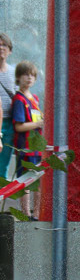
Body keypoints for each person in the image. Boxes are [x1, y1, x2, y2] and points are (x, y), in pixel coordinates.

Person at [12, 61, 43, 219]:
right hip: (25, 147)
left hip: (37, 146)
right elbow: (19, 126)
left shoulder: (35, 98)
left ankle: (36, 213)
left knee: (39, 180)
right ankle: (25, 214)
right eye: (26, 75)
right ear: (18, 77)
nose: (29, 78)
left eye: (32, 75)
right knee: (25, 181)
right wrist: (37, 123)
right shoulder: (19, 100)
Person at [0, 33, 16, 180]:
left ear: (10, 50)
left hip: (10, 123)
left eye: (4, 45)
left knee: (3, 165)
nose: (1, 48)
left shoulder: (14, 72)